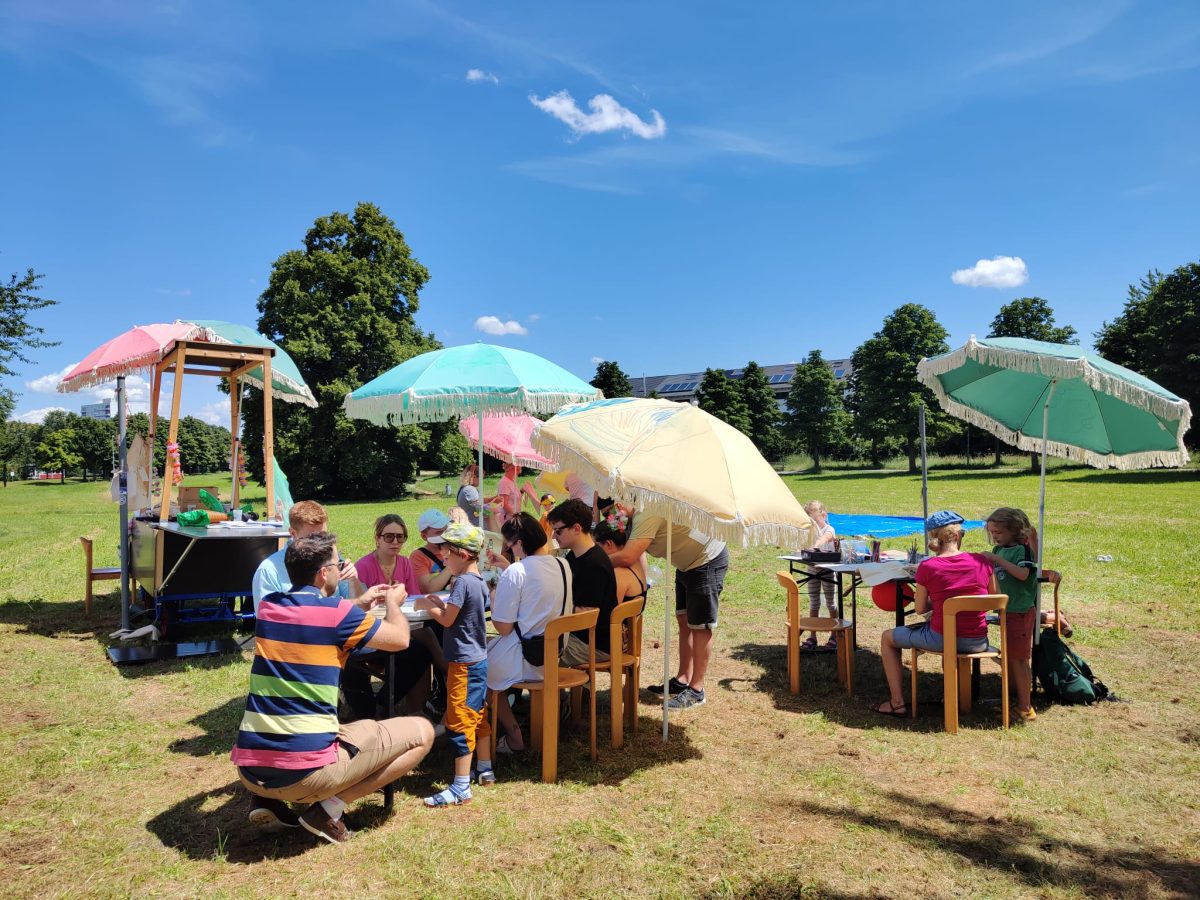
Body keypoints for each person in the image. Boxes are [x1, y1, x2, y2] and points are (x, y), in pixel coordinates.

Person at [232, 532, 434, 844]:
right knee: (422, 732)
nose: (341, 569)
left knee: (357, 726)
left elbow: (317, 615)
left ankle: (267, 797)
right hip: (305, 774)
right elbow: (400, 639)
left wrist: (359, 603)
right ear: (324, 573)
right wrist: (394, 603)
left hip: (249, 770)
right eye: (338, 564)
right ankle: (326, 810)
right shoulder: (337, 614)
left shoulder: (271, 608)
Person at [873, 510, 998, 717]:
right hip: (978, 640)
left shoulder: (928, 567)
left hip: (941, 639)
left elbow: (920, 609)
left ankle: (897, 702)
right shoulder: (982, 562)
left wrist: (942, 602)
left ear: (934, 539)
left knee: (888, 637)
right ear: (958, 536)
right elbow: (995, 599)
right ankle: (956, 696)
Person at [607, 511, 728, 711]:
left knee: (700, 625)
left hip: (706, 559)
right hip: (685, 564)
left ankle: (697, 690)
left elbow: (629, 556)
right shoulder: (635, 515)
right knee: (684, 619)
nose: (616, 507)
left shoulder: (647, 514)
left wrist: (594, 561)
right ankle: (683, 679)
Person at [412, 523, 494, 805]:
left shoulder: (461, 583)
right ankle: (485, 768)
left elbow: (447, 620)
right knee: (478, 715)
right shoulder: (478, 580)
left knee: (459, 720)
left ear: (461, 553)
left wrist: (428, 607)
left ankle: (461, 786)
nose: (442, 556)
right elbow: (461, 615)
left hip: (463, 664)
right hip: (478, 661)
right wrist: (440, 603)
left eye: (446, 551)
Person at [484, 512, 573, 753]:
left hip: (527, 657)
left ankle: (513, 735)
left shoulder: (517, 573)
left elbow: (502, 627)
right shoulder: (563, 564)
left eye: (509, 545)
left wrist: (494, 596)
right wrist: (509, 567)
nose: (507, 549)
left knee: (477, 669)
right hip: (554, 653)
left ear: (519, 544)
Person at [351, 515, 435, 717]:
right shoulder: (363, 566)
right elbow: (359, 606)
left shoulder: (404, 563)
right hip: (373, 631)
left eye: (400, 537)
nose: (395, 542)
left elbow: (414, 598)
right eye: (389, 537)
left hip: (402, 624)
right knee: (424, 647)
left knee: (425, 644)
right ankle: (399, 706)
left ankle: (406, 706)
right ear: (377, 538)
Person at [981, 507, 1039, 722]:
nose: (995, 537)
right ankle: (1016, 701)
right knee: (1012, 657)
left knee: (1019, 660)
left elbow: (1024, 574)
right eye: (992, 533)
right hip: (1007, 610)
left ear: (1014, 531)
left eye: (999, 533)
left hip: (1020, 610)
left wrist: (998, 561)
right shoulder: (998, 550)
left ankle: (1025, 708)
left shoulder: (1021, 551)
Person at [252, 500, 363, 614]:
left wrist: (353, 581)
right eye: (311, 537)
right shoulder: (269, 570)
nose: (319, 542)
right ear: (293, 534)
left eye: (323, 536)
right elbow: (268, 620)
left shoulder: (333, 559)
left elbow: (361, 609)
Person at [548, 499, 618, 667]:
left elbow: (589, 613)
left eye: (558, 531)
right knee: (526, 646)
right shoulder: (574, 556)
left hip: (593, 643)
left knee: (536, 654)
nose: (554, 536)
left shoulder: (595, 564)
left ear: (577, 528)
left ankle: (551, 692)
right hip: (579, 635)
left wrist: (553, 609)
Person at [593, 509, 649, 652]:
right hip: (626, 638)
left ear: (609, 544)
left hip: (614, 644)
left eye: (597, 547)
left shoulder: (619, 574)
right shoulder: (635, 563)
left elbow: (606, 615)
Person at [801, 500, 838, 651]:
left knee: (831, 603)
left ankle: (835, 635)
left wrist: (815, 545)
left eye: (815, 520)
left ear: (823, 515)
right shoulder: (810, 532)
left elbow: (825, 539)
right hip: (812, 570)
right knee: (814, 603)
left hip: (827, 571)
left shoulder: (829, 529)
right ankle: (812, 636)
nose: (813, 524)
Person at [411, 509, 453, 595]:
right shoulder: (418, 556)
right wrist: (452, 563)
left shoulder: (454, 548)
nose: (444, 536)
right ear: (424, 536)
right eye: (439, 532)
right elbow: (428, 589)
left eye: (446, 530)